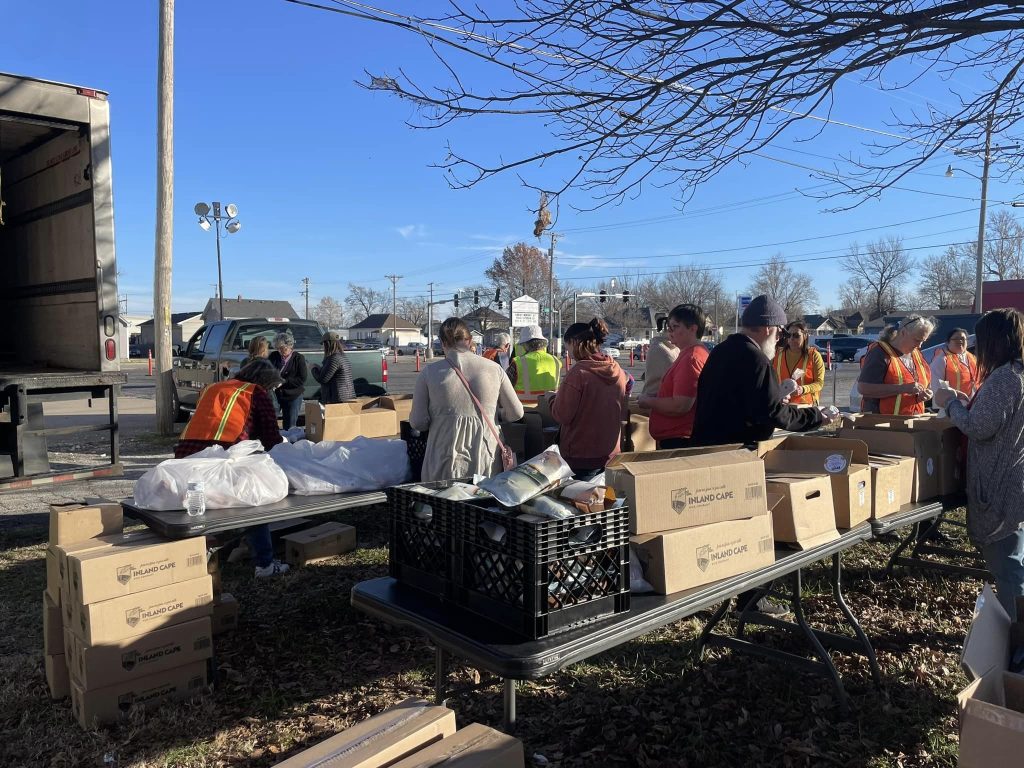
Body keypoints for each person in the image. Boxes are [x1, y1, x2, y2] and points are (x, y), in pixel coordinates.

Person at [690, 295, 837, 618]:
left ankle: (703, 595)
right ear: (769, 329)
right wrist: (817, 418)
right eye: (780, 333)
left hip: (708, 451)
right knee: (748, 528)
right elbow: (773, 414)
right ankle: (751, 600)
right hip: (736, 455)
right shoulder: (755, 359)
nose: (781, 340)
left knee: (714, 529)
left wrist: (776, 393)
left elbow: (742, 401)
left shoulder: (723, 352)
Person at [934, 309, 1024, 619]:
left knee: (1007, 566)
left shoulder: (1004, 378)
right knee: (1015, 557)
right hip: (1014, 481)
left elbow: (978, 427)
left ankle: (1018, 640)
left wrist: (950, 404)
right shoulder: (1017, 373)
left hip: (1001, 487)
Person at [174, 359, 289, 578]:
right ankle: (264, 563)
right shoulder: (256, 393)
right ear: (265, 382)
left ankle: (194, 560)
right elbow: (271, 437)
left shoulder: (215, 387)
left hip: (186, 455)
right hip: (221, 459)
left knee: (199, 509)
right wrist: (286, 444)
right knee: (254, 500)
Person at [410, 317, 524, 481]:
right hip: (486, 457)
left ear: (442, 342)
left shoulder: (429, 373)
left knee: (445, 504)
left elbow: (418, 422)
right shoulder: (494, 369)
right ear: (469, 340)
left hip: (443, 458)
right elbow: (516, 413)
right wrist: (496, 415)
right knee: (483, 504)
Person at [549, 318, 630, 476]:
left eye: (568, 349)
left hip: (580, 454)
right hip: (610, 453)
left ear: (574, 342)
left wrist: (551, 399)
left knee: (580, 498)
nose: (569, 354)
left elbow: (562, 415)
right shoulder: (617, 369)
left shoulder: (579, 373)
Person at [637, 304, 709, 448]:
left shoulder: (691, 359)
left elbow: (680, 405)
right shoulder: (694, 353)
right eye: (669, 327)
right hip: (680, 437)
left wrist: (648, 401)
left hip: (679, 440)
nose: (669, 332)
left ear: (693, 329)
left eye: (675, 327)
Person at [856, 315, 935, 415]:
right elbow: (863, 388)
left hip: (912, 422)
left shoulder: (917, 355)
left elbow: (927, 385)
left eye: (923, 341)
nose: (919, 345)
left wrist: (927, 394)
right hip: (882, 424)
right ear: (903, 332)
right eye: (917, 340)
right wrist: (902, 388)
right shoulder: (880, 353)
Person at [772, 321, 826, 405]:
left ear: (805, 336)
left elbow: (819, 383)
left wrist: (803, 389)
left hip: (805, 406)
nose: (792, 338)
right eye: (789, 335)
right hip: (781, 405)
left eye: (796, 335)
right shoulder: (777, 354)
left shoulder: (814, 355)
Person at [507, 325, 562, 405]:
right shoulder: (556, 361)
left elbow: (505, 387)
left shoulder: (518, 362)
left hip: (525, 410)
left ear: (526, 344)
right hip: (551, 409)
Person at [268, 331, 308, 430]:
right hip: (277, 395)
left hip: (293, 395)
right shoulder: (274, 356)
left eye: (282, 348)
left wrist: (283, 382)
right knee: (271, 421)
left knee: (290, 425)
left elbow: (301, 379)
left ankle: (290, 444)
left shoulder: (299, 358)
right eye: (278, 348)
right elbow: (268, 371)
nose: (280, 351)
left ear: (290, 346)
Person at [930, 327, 977, 397]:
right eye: (956, 339)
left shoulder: (972, 358)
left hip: (972, 403)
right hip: (950, 404)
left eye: (963, 338)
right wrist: (956, 395)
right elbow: (937, 385)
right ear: (947, 342)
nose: (960, 341)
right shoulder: (941, 360)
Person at [310, 331, 355, 404]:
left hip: (338, 399)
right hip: (346, 397)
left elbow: (323, 379)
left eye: (323, 344)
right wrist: (320, 368)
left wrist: (313, 368)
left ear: (327, 344)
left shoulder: (333, 359)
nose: (323, 347)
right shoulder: (341, 356)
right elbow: (331, 374)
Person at [641, 316, 679, 399]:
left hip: (662, 399)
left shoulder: (674, 347)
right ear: (669, 329)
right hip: (656, 399)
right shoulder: (660, 349)